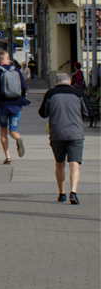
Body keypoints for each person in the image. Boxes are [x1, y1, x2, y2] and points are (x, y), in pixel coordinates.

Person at [38, 72, 90, 204]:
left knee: (59, 163)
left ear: (56, 82)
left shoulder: (50, 94)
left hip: (57, 133)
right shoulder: (78, 94)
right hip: (75, 133)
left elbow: (43, 113)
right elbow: (87, 112)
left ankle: (62, 194)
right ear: (70, 82)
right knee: (74, 164)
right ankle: (73, 192)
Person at [0, 49, 29, 164]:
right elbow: (24, 86)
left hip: (3, 105)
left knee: (3, 131)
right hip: (16, 105)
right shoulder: (17, 71)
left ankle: (8, 156)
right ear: (8, 58)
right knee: (13, 130)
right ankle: (18, 138)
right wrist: (21, 97)